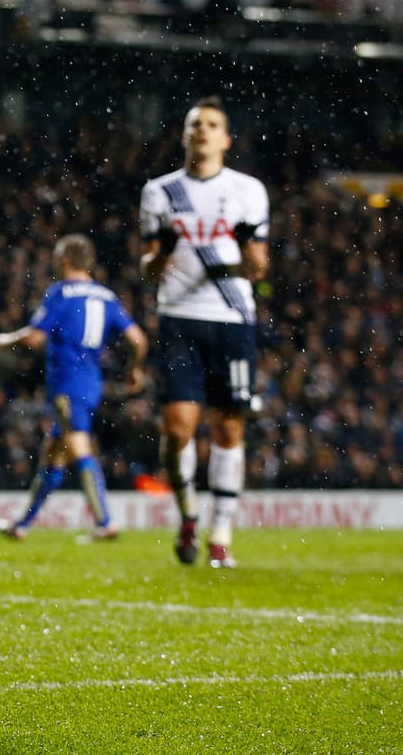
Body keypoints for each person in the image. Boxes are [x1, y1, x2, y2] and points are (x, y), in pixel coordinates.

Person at [138, 96, 269, 569]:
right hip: (179, 316)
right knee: (178, 430)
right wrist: (164, 251)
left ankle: (222, 534)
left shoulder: (247, 191)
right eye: (195, 124)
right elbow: (149, 268)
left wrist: (241, 242)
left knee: (229, 427)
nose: (202, 131)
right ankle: (189, 514)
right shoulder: (160, 192)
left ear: (225, 139)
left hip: (232, 318)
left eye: (212, 125)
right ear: (184, 134)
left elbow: (258, 268)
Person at [0, 234, 147, 541]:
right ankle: (22, 525)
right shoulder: (106, 296)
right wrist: (134, 370)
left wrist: (5, 339)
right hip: (91, 382)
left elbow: (35, 337)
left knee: (77, 444)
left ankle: (105, 522)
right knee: (53, 454)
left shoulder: (60, 293)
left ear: (64, 259)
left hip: (66, 382)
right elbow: (138, 340)